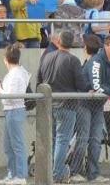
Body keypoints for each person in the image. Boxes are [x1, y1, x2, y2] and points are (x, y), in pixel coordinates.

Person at [37, 30, 88, 183]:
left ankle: (50, 171)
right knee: (62, 140)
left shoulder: (46, 57)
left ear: (58, 41)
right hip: (67, 105)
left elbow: (39, 81)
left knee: (51, 139)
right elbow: (81, 84)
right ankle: (57, 173)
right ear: (71, 43)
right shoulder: (73, 60)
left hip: (48, 105)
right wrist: (89, 87)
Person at [69, 34, 110, 183]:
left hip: (99, 104)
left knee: (96, 139)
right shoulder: (96, 61)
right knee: (83, 138)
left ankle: (93, 173)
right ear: (105, 46)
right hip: (84, 104)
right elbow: (96, 86)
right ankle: (74, 172)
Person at [0, 43, 31, 185]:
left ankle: (20, 176)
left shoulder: (15, 74)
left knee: (17, 144)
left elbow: (11, 95)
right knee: (9, 145)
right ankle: (12, 174)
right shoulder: (17, 72)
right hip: (11, 111)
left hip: (14, 110)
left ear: (6, 59)